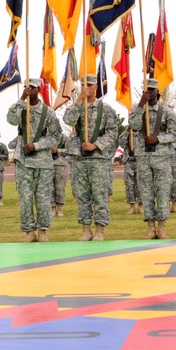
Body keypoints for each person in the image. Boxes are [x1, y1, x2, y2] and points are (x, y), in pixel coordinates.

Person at [63, 74, 120, 241]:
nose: (87, 87)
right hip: (79, 157)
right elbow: (69, 120)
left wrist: (97, 145)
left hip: (98, 158)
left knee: (99, 194)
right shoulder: (76, 106)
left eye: (90, 84)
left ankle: (100, 230)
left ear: (96, 87)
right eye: (84, 84)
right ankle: (86, 230)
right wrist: (79, 99)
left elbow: (112, 131)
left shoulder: (106, 109)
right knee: (82, 194)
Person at [7, 79, 62, 242]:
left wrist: (37, 146)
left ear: (39, 89)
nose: (29, 90)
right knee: (25, 198)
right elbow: (10, 119)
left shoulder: (48, 112)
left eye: (32, 88)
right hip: (23, 161)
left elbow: (56, 136)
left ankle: (43, 231)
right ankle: (29, 231)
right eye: (26, 87)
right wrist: (21, 99)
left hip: (42, 162)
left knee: (43, 198)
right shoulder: (21, 108)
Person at [128, 78, 176, 239]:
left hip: (162, 157)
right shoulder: (137, 110)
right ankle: (151, 228)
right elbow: (134, 126)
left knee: (163, 191)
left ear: (157, 92)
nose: (149, 93)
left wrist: (158, 139)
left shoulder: (167, 112)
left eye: (152, 90)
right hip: (144, 157)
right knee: (146, 192)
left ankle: (162, 227)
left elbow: (175, 134)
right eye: (147, 90)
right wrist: (139, 104)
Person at [122, 127, 140, 215]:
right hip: (128, 160)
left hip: (140, 160)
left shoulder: (142, 131)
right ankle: (132, 207)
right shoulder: (127, 132)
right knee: (129, 185)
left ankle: (141, 206)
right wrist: (127, 131)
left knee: (141, 184)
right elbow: (121, 143)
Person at [51, 131, 69, 217]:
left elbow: (69, 150)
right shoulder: (44, 137)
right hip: (47, 165)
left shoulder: (64, 138)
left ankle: (60, 208)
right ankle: (52, 208)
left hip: (60, 165)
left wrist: (57, 150)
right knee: (49, 188)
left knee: (60, 187)